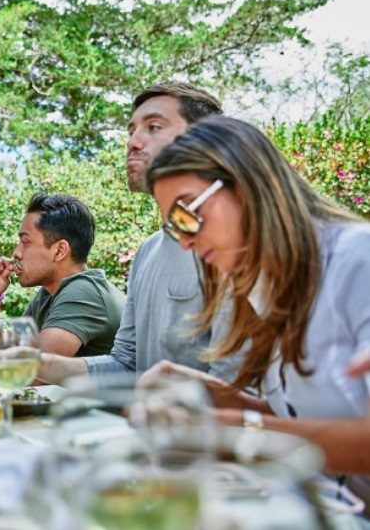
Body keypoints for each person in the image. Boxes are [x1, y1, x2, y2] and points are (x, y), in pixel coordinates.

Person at [140, 115, 370, 508]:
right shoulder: (265, 289)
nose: (185, 242)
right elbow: (303, 416)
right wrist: (210, 394)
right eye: (175, 227)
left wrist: (243, 431)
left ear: (246, 183)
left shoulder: (357, 260)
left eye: (187, 214)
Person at [36, 83, 238, 383]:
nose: (133, 142)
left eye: (153, 127)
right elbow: (128, 363)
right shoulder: (148, 251)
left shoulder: (236, 246)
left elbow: (237, 387)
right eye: (132, 130)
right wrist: (33, 364)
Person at [0, 194, 124, 358]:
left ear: (60, 250)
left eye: (25, 242)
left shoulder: (84, 292)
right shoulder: (48, 294)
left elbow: (30, 370)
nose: (16, 253)